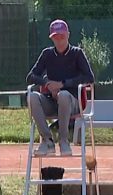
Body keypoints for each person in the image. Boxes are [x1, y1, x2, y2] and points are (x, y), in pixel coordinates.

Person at [26, 19, 95, 157]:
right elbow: (31, 77)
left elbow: (89, 77)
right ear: (51, 38)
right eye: (56, 37)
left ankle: (64, 141)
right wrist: (47, 83)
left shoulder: (77, 53)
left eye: (62, 36)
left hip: (74, 103)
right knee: (31, 96)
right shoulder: (47, 54)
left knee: (63, 95)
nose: (59, 40)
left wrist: (63, 84)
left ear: (68, 35)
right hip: (52, 101)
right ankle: (48, 141)